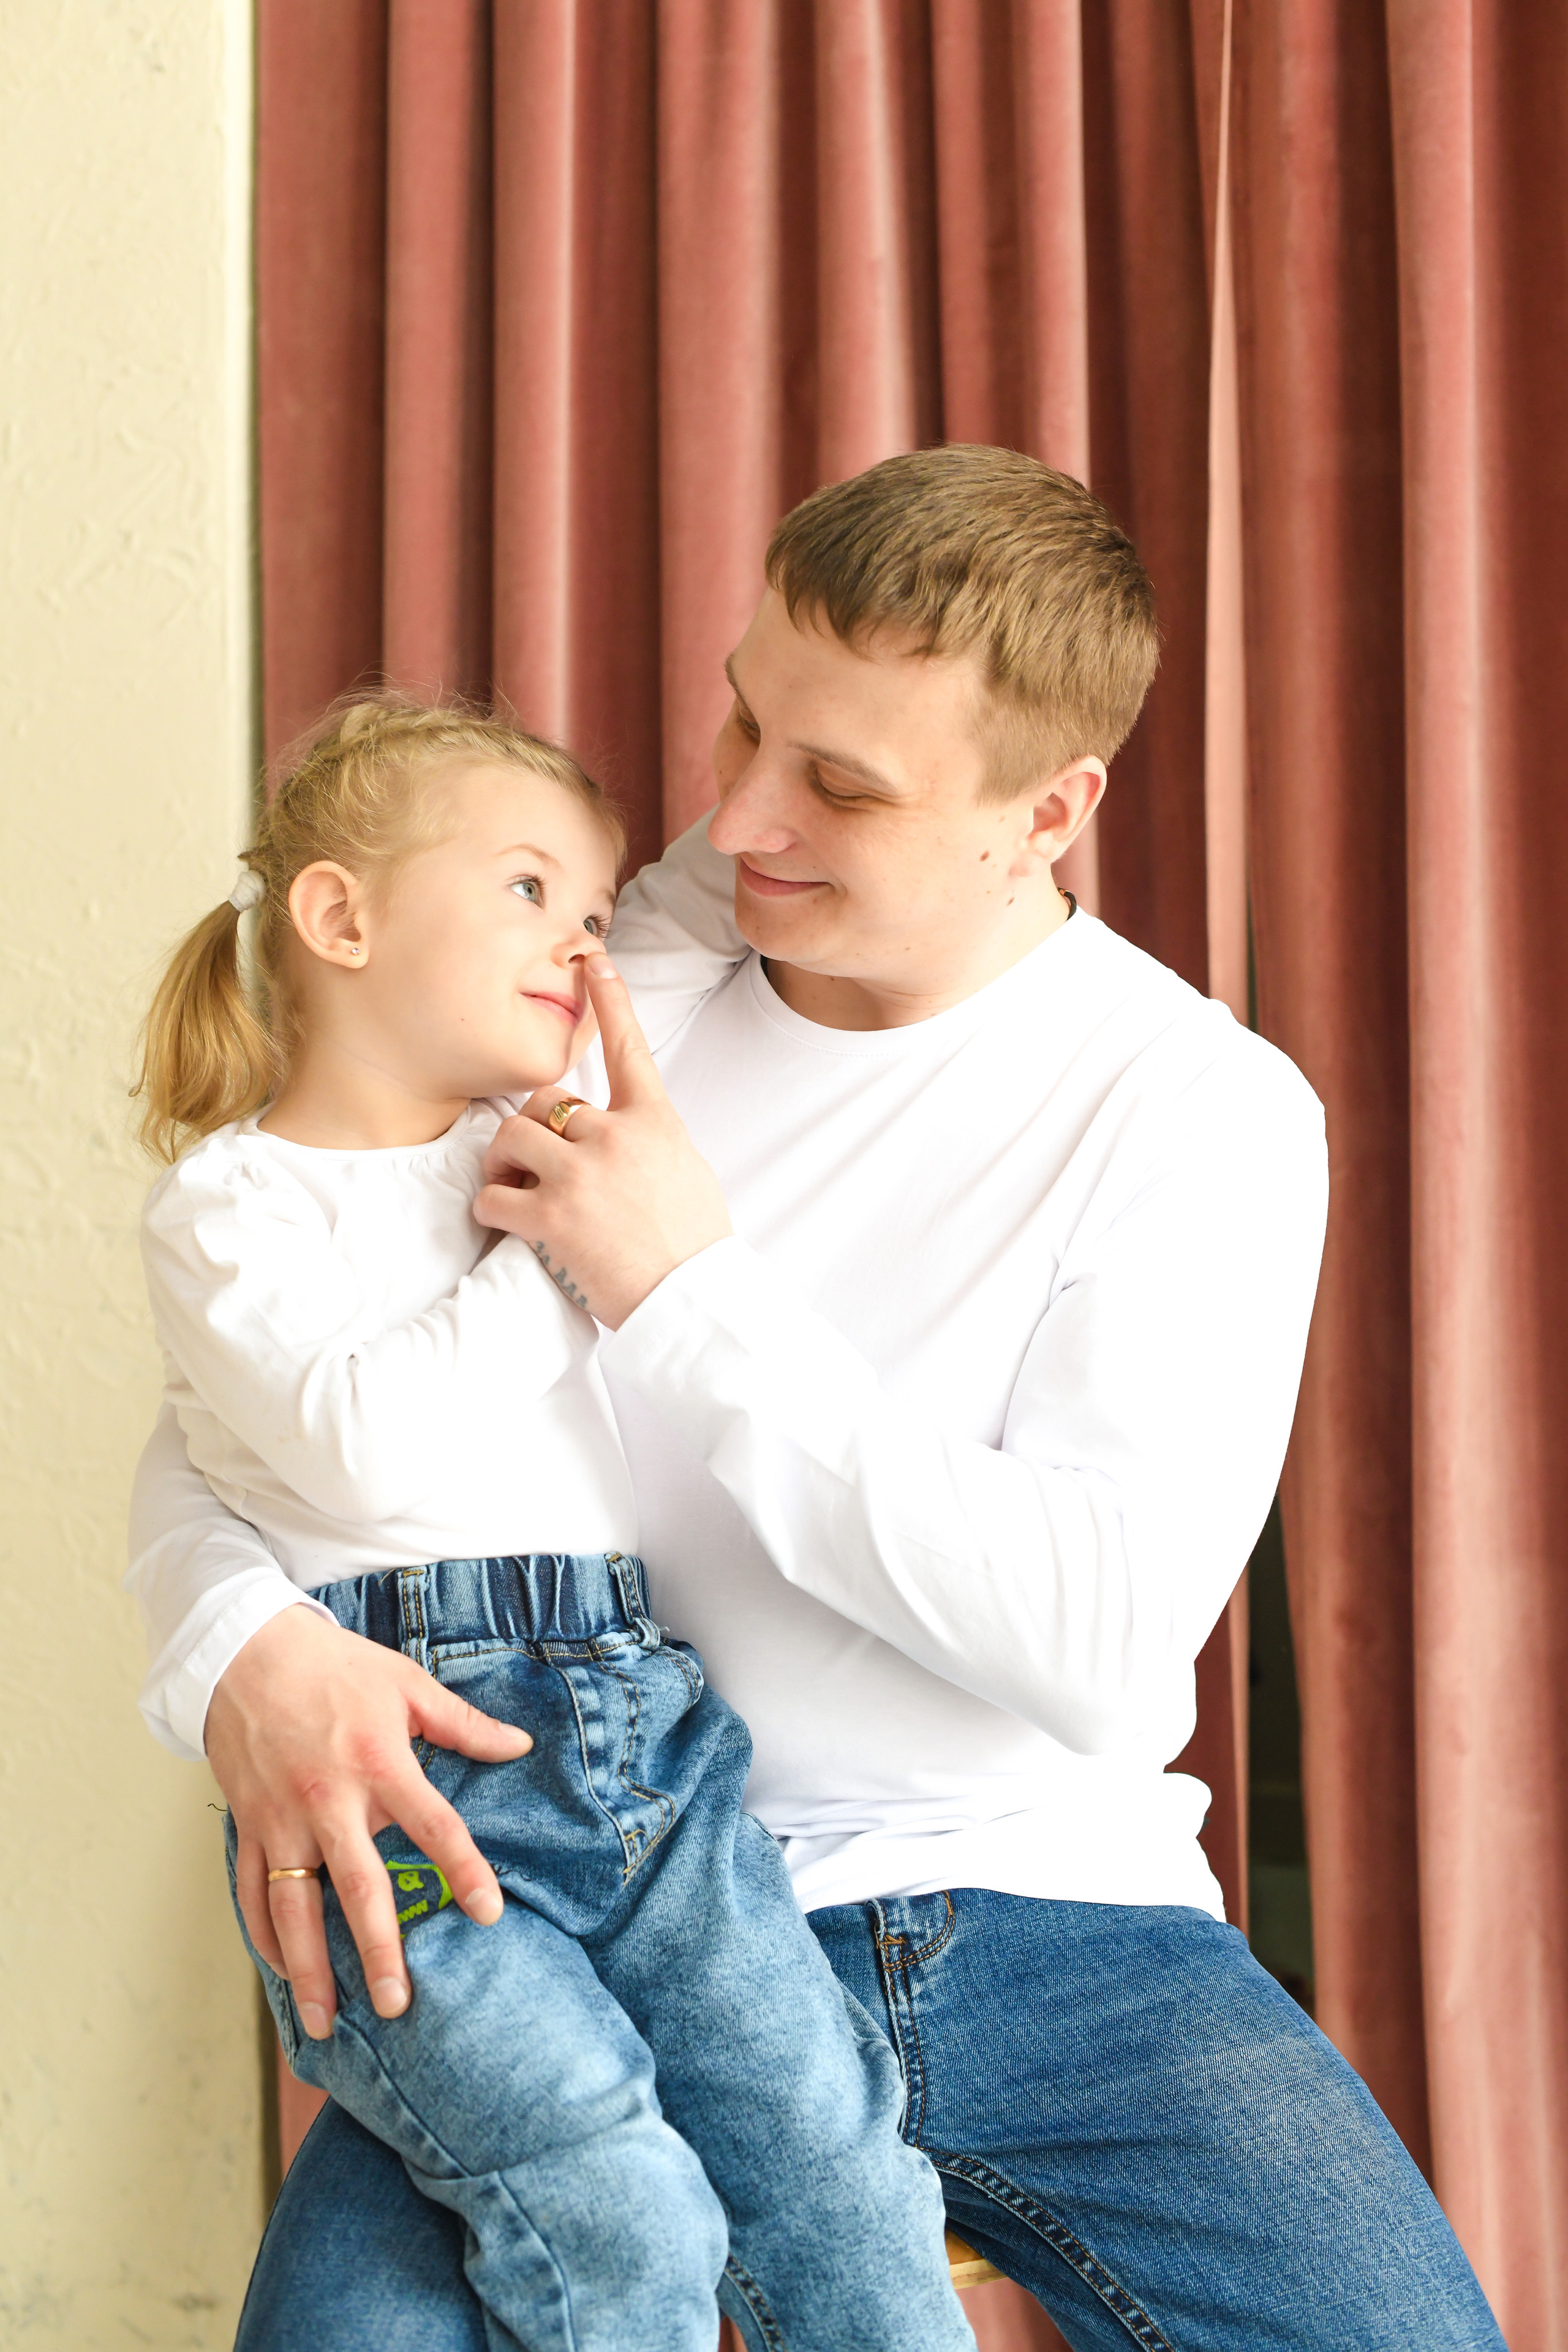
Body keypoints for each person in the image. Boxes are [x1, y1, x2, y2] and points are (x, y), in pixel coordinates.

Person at [131, 448, 1506, 2350]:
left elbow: (1106, 1653)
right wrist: (234, 1649)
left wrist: (687, 1292)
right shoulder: (611, 983)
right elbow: (269, 1380)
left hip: (1048, 1922)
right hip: (578, 1903)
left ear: (1051, 812)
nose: (742, 816)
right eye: (746, 716)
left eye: (842, 786)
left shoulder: (1200, 1112)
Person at [129, 698, 973, 2352]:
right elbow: (360, 1452)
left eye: (595, 915)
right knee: (614, 2203)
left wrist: (589, 1223)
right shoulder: (232, 1205)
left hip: (650, 1739)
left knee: (841, 2168)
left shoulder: (533, 1154)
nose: (583, 948)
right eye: (530, 893)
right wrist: (569, 1259)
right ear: (339, 917)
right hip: (417, 1792)